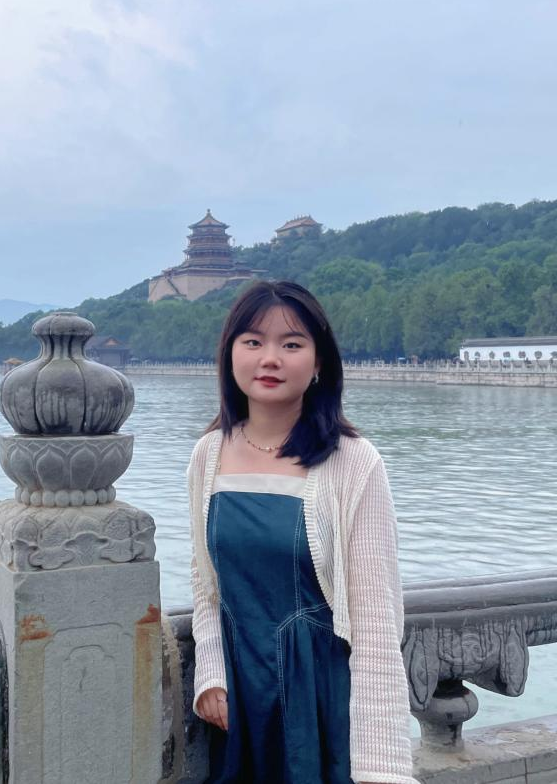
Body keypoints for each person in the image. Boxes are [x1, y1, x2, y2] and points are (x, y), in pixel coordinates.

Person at [187, 280, 417, 784]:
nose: (270, 358)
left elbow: (376, 618)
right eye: (253, 341)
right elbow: (206, 581)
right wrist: (211, 668)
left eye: (291, 344)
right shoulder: (208, 454)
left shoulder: (353, 462)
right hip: (239, 700)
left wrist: (383, 766)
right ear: (229, 354)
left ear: (318, 364)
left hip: (319, 698)